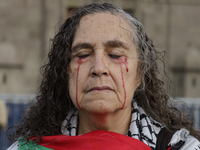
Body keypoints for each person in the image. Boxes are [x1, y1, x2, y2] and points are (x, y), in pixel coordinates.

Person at [7, 3, 200, 150]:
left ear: (139, 73)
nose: (99, 68)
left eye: (115, 55)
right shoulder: (27, 148)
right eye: (83, 55)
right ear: (65, 72)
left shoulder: (180, 147)